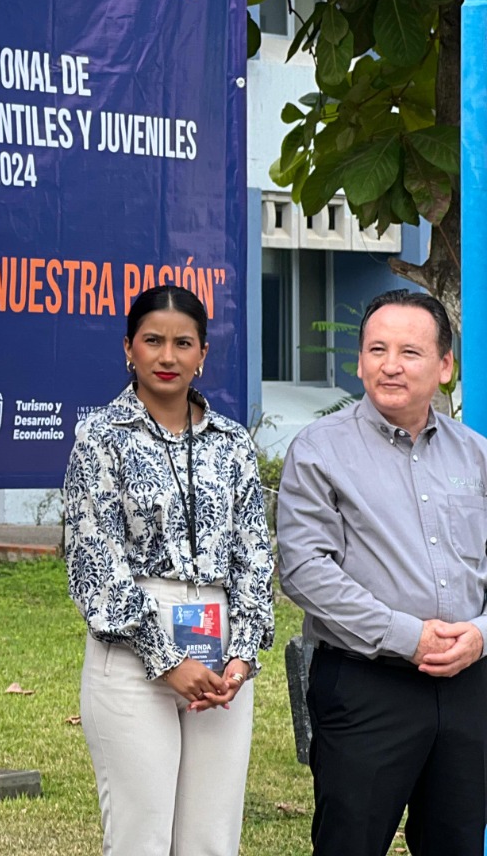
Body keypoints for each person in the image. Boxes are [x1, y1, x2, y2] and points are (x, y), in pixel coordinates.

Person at [63, 283, 273, 856]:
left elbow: (255, 554)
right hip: (133, 654)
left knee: (211, 841)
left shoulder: (231, 443)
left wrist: (242, 653)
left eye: (183, 343)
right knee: (142, 840)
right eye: (153, 341)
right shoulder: (101, 440)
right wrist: (167, 660)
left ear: (203, 353)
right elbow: (95, 565)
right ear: (128, 348)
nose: (167, 356)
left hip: (220, 653)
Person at [277, 288, 487, 856]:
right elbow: (303, 568)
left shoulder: (477, 456)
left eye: (409, 352)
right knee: (351, 841)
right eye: (376, 349)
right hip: (367, 684)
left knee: (459, 842)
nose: (389, 365)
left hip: (470, 686)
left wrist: (480, 634)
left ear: (445, 366)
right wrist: (408, 636)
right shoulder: (320, 450)